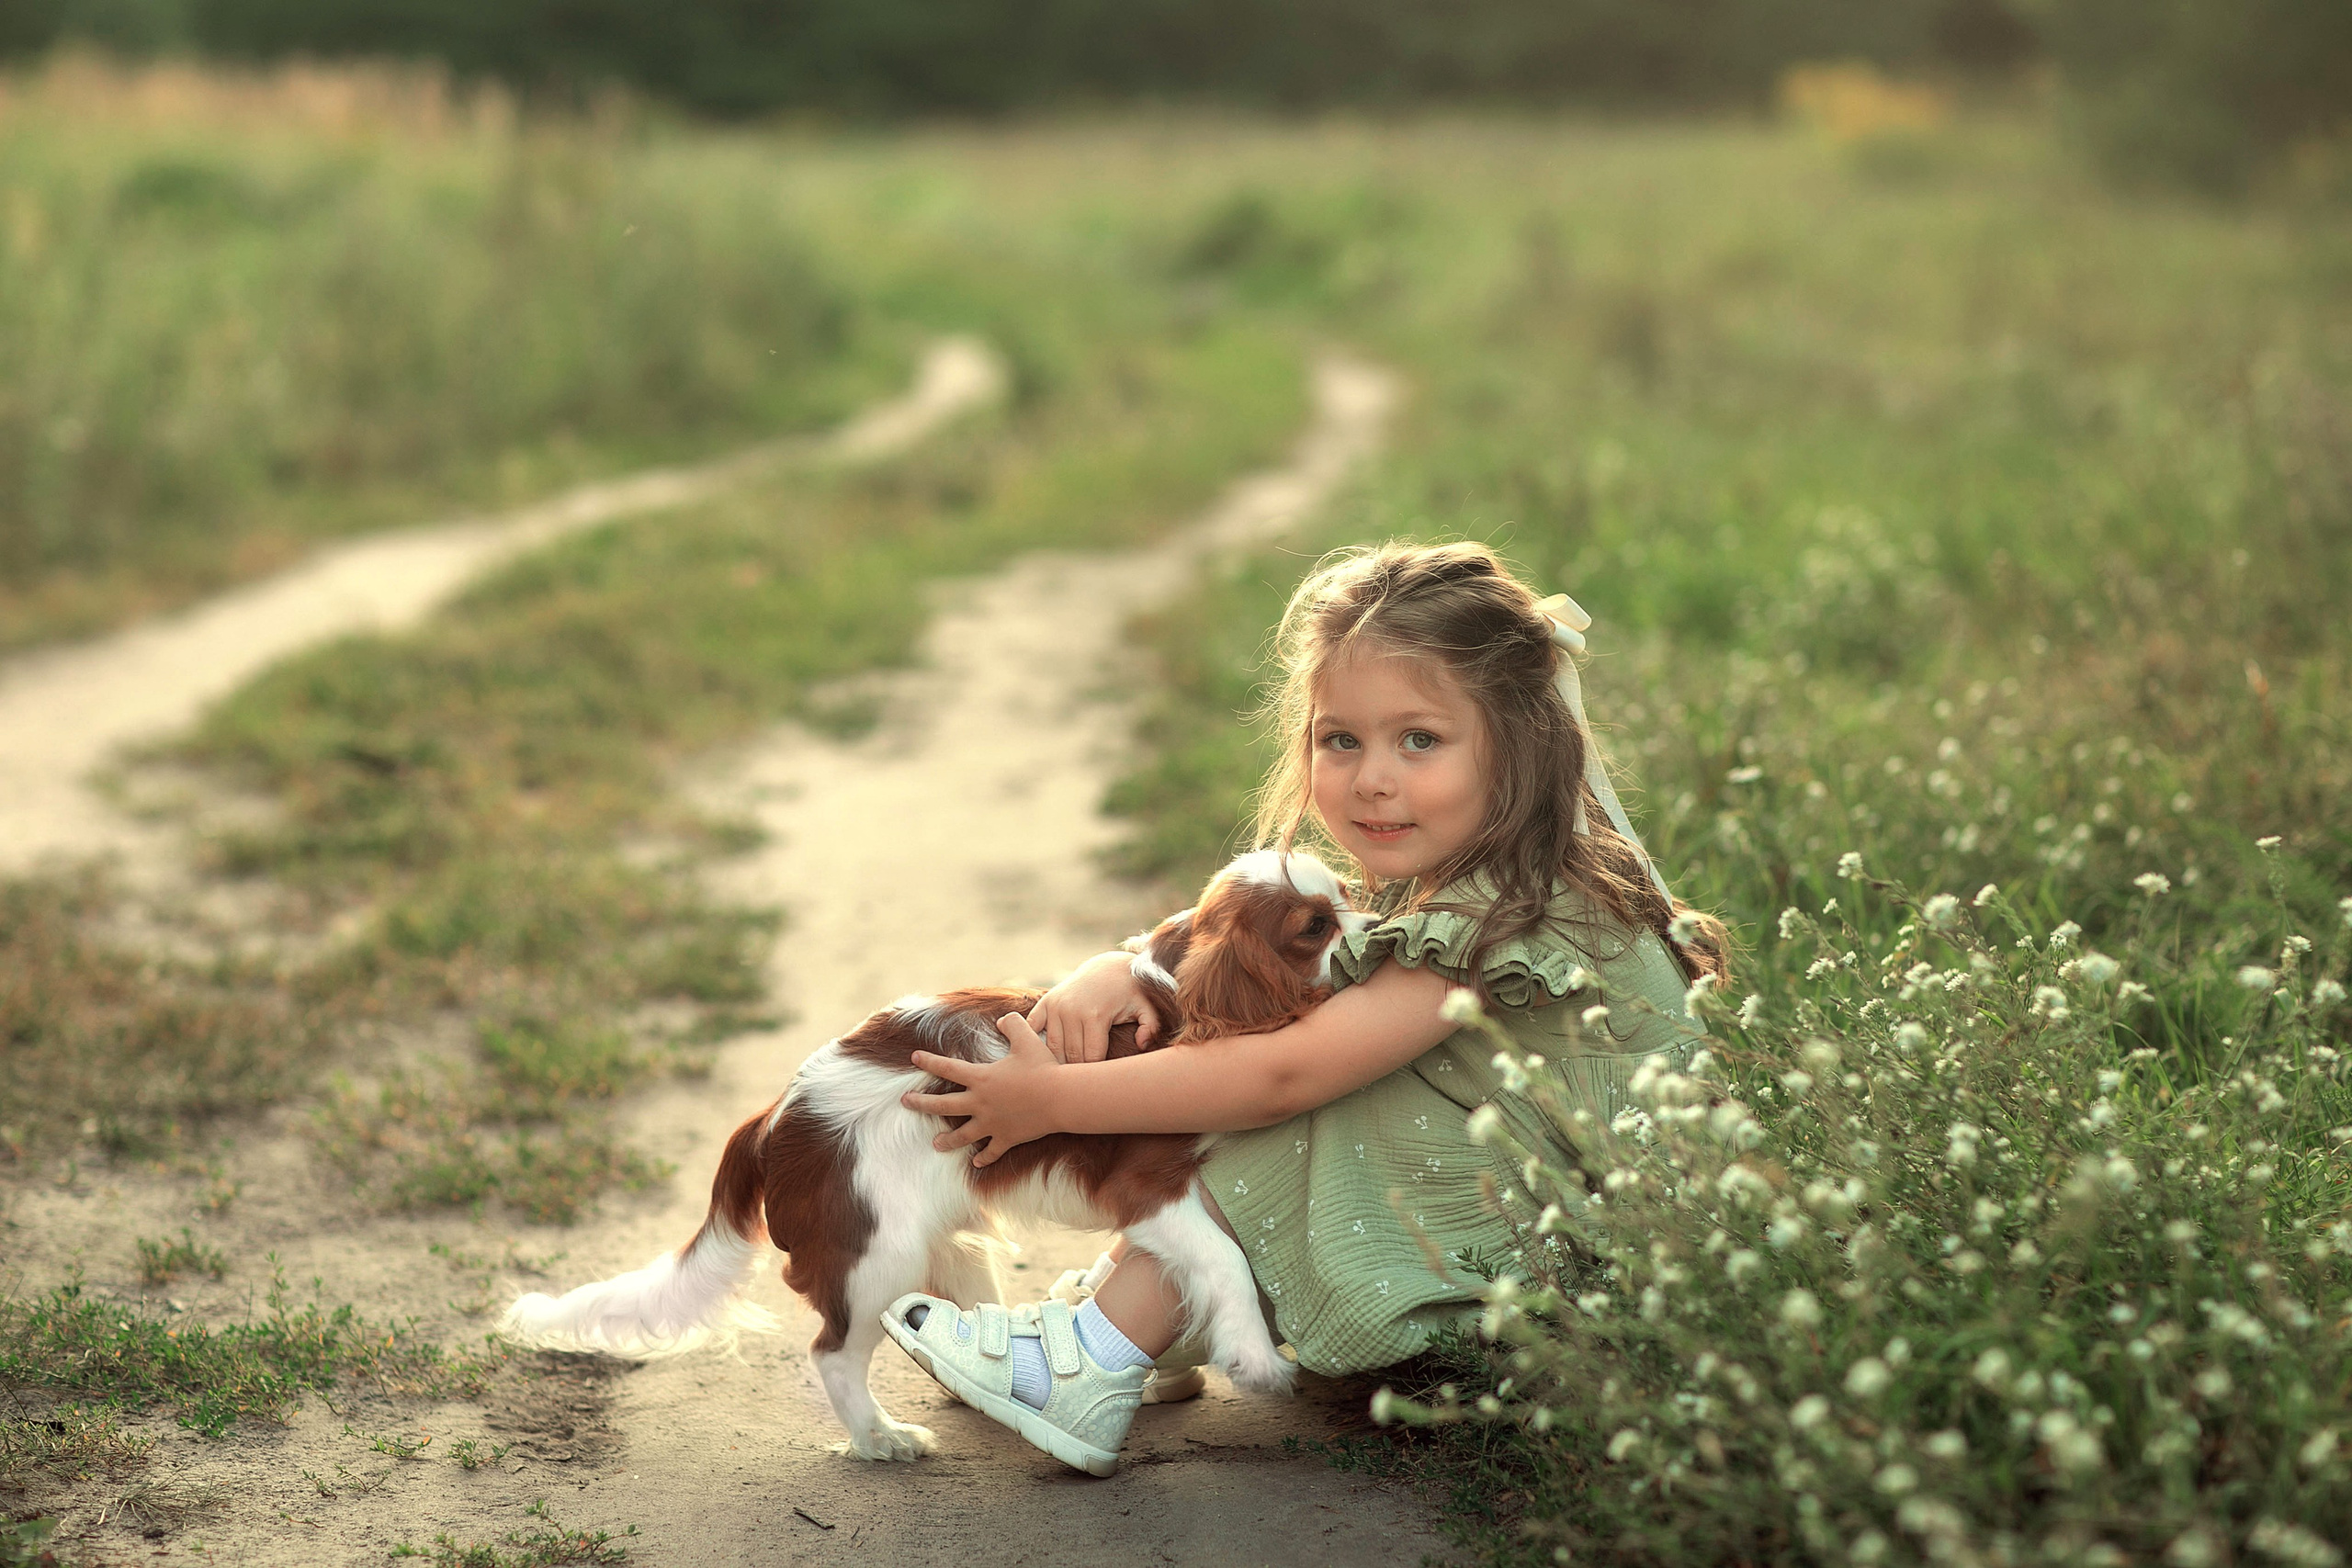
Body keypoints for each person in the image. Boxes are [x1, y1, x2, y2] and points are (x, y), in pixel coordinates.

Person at [881, 540, 1727, 1474]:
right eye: (1341, 740)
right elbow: (1279, 957)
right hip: (1545, 1217)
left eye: (1419, 740)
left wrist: (1052, 1102)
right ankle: (1149, 1322)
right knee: (1275, 1043)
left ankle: (1088, 1361)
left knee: (1284, 1096)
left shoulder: (1498, 921)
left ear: (1519, 750)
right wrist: (1128, 964)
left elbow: (1281, 1074)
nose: (1372, 778)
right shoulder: (1483, 880)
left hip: (1582, 1274)